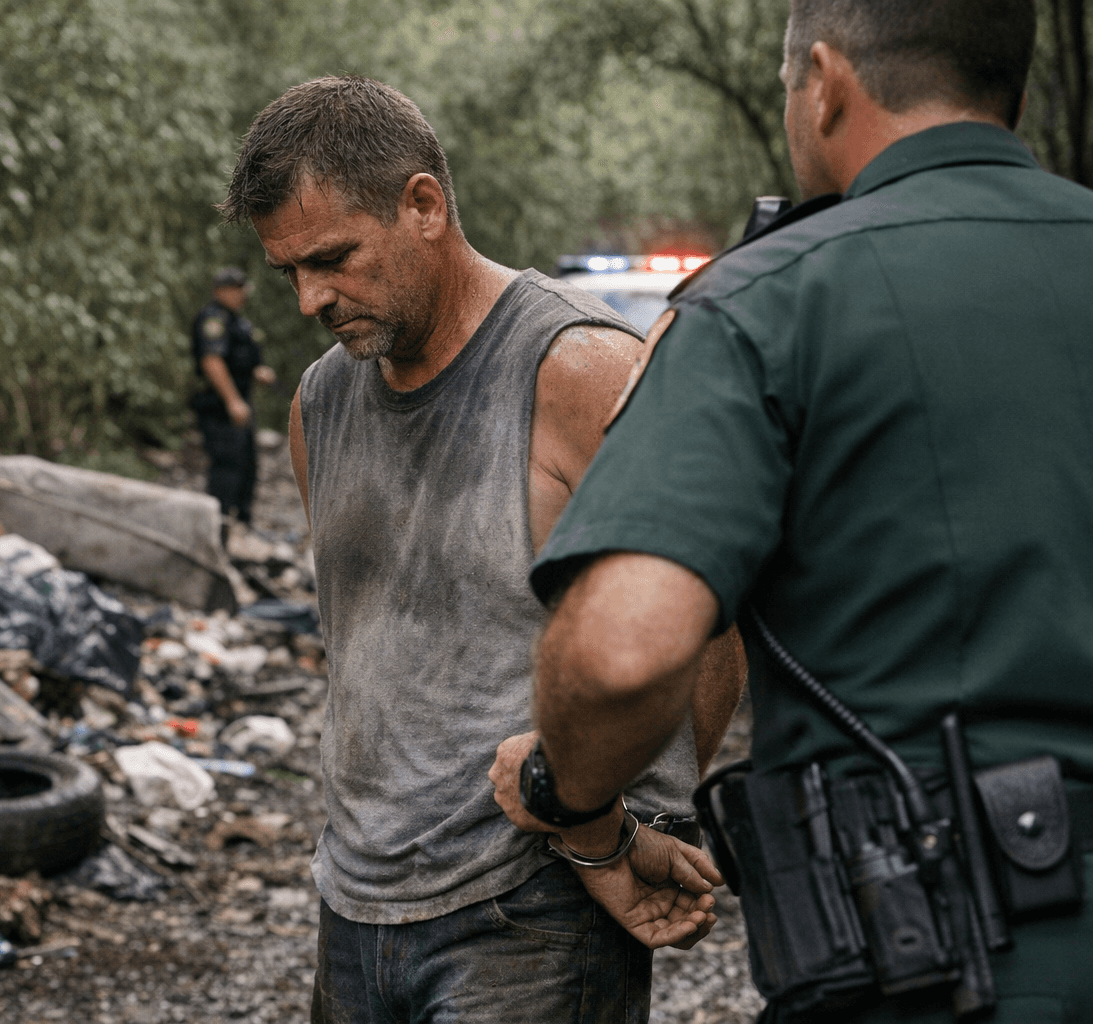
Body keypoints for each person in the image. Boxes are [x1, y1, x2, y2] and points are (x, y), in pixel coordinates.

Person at [523, 1, 1093, 1020]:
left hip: (932, 962)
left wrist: (562, 790)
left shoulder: (765, 304)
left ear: (824, 82)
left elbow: (620, 656)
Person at [219, 76, 745, 1024]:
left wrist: (622, 833)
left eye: (331, 259)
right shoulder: (320, 404)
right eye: (288, 271)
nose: (309, 299)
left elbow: (709, 632)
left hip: (530, 915)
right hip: (356, 900)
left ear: (424, 206)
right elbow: (364, 649)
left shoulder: (579, 372)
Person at [190, 267, 276, 524]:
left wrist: (257, 371)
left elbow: (241, 359)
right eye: (236, 290)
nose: (242, 294)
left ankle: (242, 521)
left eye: (243, 289)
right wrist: (233, 401)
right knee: (227, 464)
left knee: (247, 463)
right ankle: (220, 524)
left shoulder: (238, 322)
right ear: (221, 291)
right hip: (219, 405)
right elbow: (212, 361)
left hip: (241, 400)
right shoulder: (212, 319)